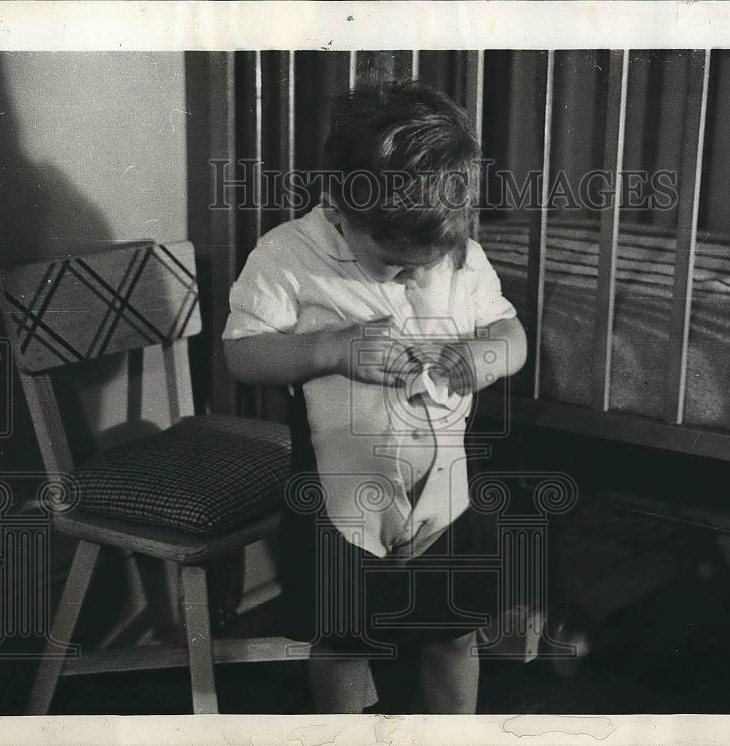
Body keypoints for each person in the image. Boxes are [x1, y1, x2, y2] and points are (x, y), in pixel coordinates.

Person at [221, 80, 526, 714]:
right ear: (338, 206)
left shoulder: (461, 257)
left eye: (428, 259)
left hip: (445, 498)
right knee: (342, 641)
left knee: (455, 633)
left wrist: (486, 355)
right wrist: (331, 350)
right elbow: (243, 353)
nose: (416, 274)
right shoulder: (287, 257)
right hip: (341, 501)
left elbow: (510, 331)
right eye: (394, 261)